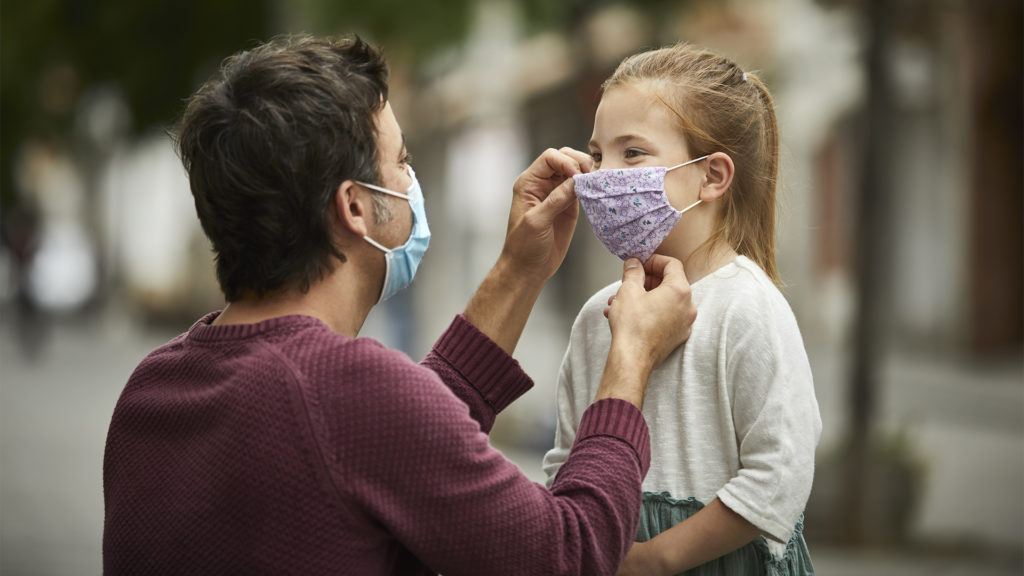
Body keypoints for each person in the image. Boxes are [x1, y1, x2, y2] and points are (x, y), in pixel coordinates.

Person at [102, 34, 699, 576]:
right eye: (402, 161)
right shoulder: (346, 391)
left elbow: (400, 438)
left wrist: (520, 269)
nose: (412, 180)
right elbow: (569, 553)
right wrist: (630, 361)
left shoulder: (152, 388)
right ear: (356, 207)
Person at [542, 43, 822, 575]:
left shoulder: (749, 307)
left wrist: (657, 558)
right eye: (597, 154)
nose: (603, 176)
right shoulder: (596, 315)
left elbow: (780, 475)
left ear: (712, 176)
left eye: (633, 153)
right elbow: (564, 465)